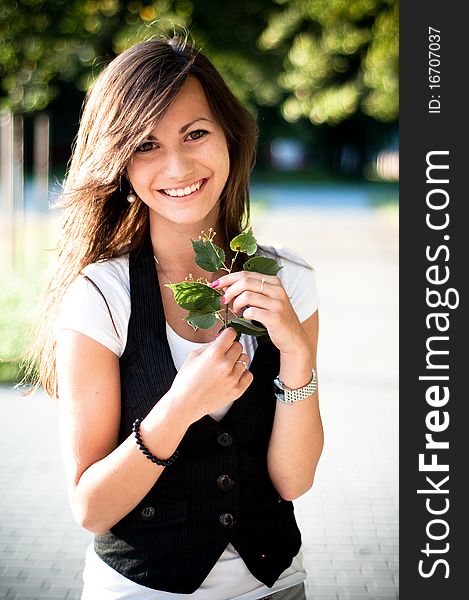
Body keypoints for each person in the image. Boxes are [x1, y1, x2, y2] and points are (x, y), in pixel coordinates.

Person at [31, 34, 323, 600]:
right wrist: (180, 407)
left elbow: (294, 480)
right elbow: (90, 507)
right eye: (146, 145)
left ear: (230, 137)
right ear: (119, 163)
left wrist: (297, 355)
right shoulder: (101, 295)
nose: (178, 164)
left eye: (196, 133)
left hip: (277, 587)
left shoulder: (289, 281)